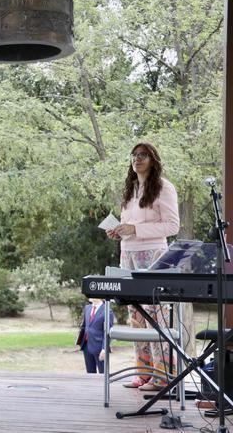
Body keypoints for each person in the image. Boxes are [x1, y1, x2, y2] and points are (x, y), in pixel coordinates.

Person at [106, 142, 179, 391]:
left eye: (143, 155)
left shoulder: (163, 187)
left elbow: (172, 226)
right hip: (128, 255)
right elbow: (129, 225)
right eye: (134, 155)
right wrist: (119, 231)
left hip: (154, 256)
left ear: (153, 159)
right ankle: (144, 373)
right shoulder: (130, 188)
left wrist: (135, 229)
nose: (137, 159)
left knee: (156, 315)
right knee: (135, 315)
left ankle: (162, 376)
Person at [79, 298, 113, 373]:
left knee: (103, 373)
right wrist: (80, 340)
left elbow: (108, 332)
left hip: (99, 348)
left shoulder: (107, 311)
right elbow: (84, 326)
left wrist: (104, 349)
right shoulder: (87, 308)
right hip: (86, 346)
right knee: (90, 373)